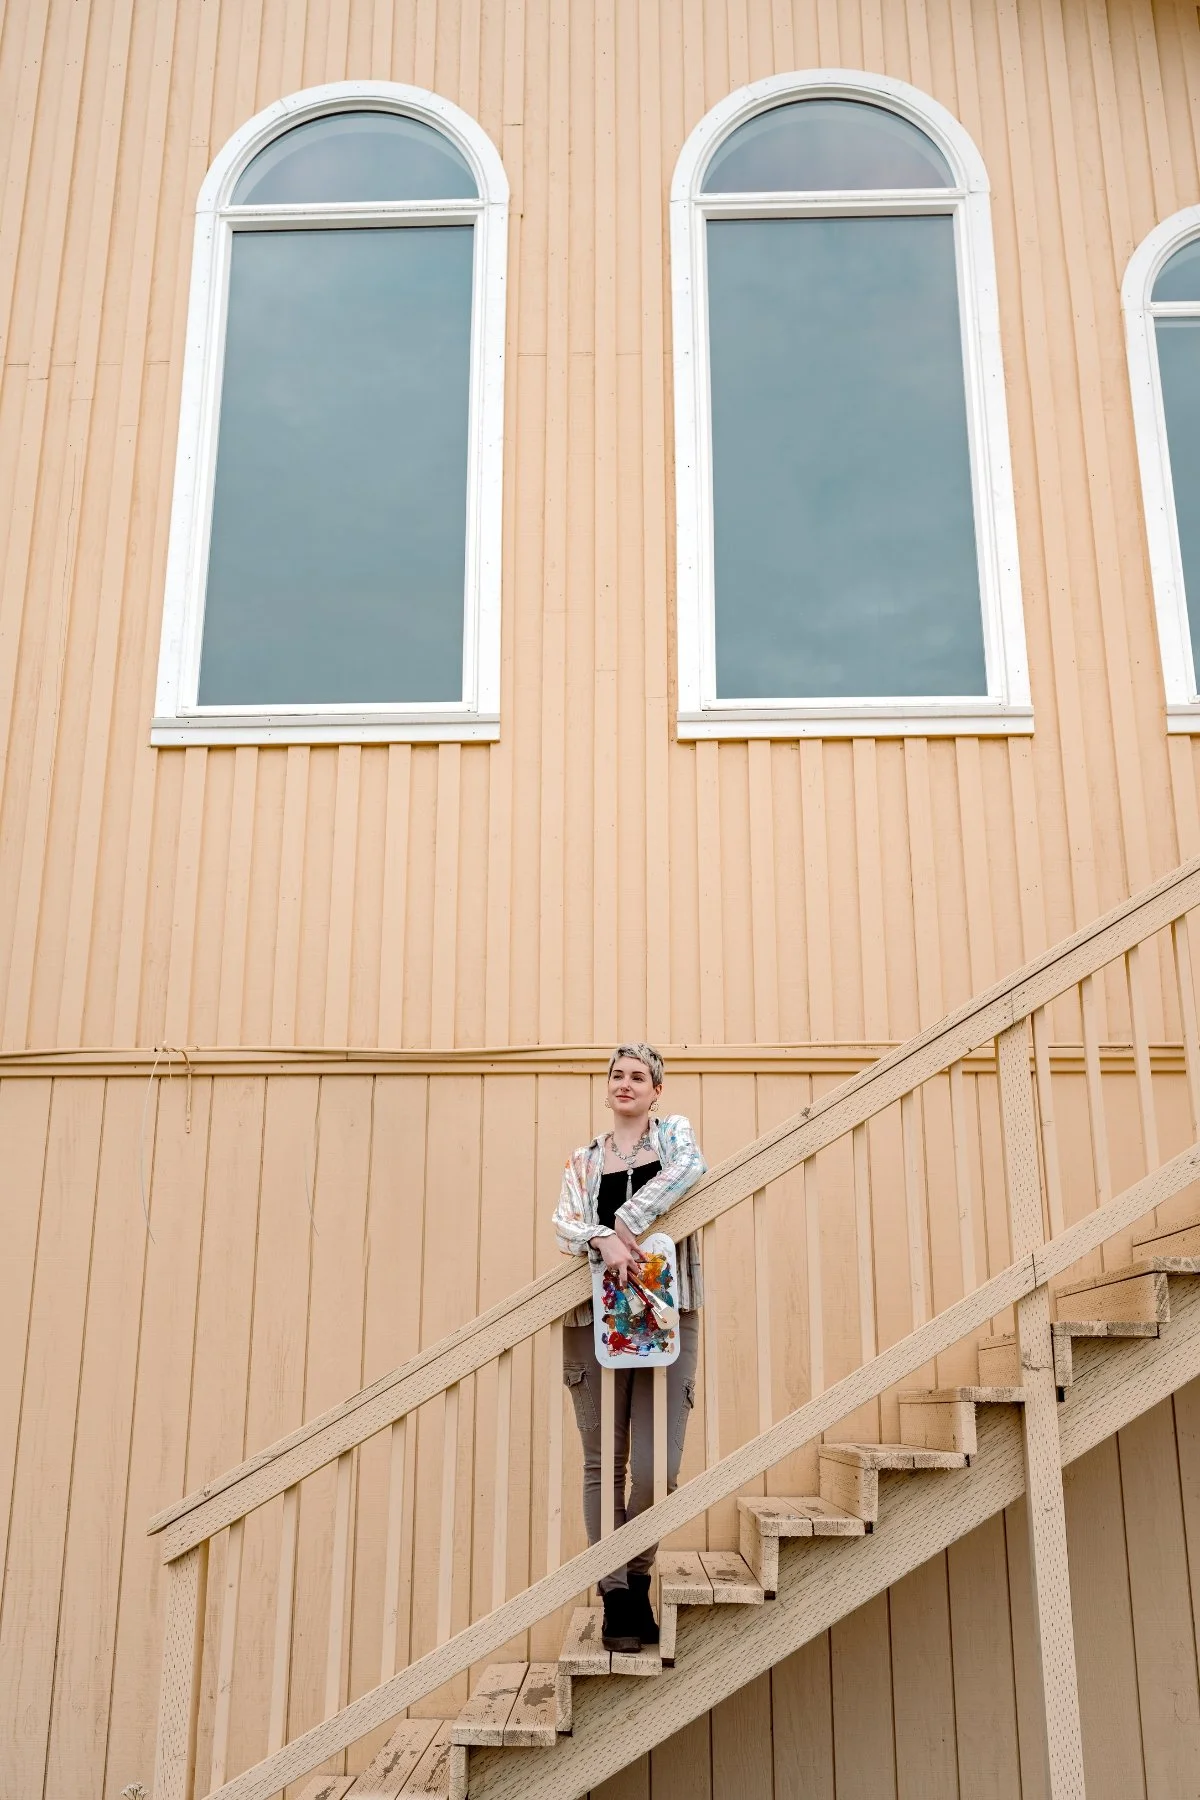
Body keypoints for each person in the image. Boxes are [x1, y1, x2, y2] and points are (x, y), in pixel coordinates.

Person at [552, 1044, 707, 1654]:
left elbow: (691, 1169)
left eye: (638, 1076)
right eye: (616, 1075)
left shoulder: (672, 1137)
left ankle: (637, 1574)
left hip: (666, 1312)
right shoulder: (584, 1159)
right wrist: (599, 1237)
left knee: (654, 1469)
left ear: (656, 1089)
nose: (625, 1083)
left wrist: (626, 1222)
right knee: (602, 1463)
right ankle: (618, 1595)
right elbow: (563, 1223)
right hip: (595, 1318)